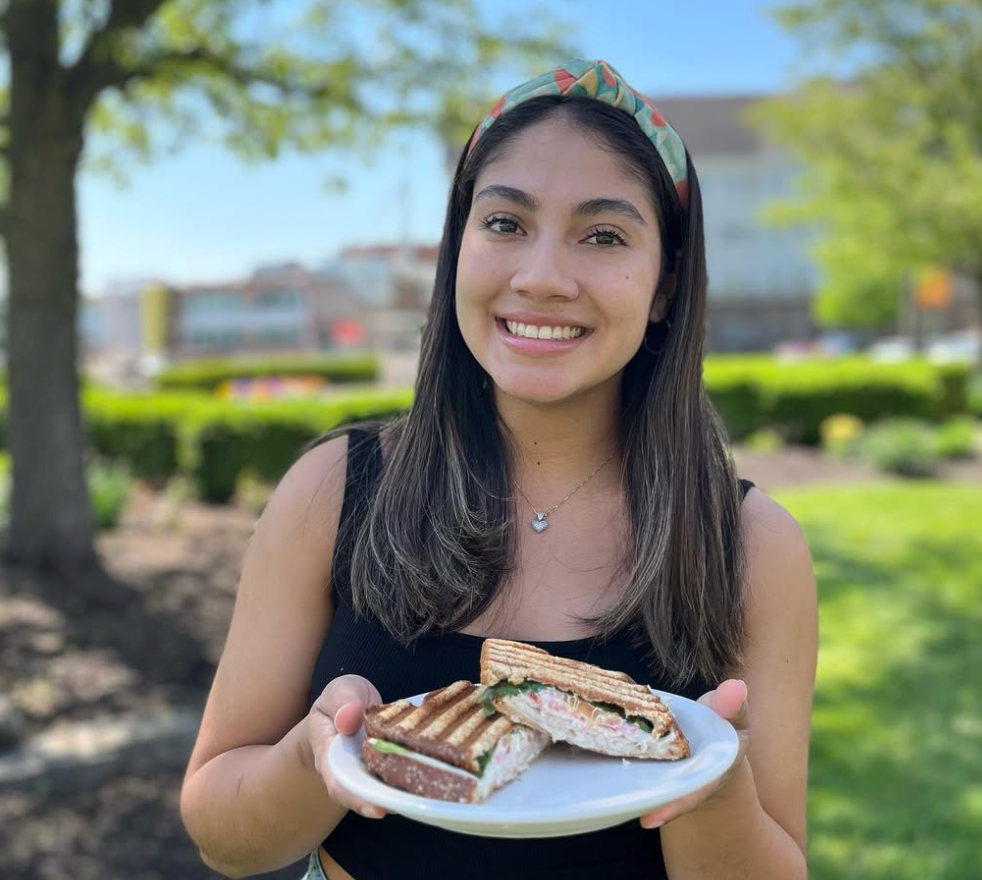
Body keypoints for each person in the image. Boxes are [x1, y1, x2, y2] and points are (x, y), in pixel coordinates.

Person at [180, 59, 817, 880]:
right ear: (458, 251)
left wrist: (708, 784)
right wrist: (318, 762)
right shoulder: (334, 491)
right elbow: (220, 835)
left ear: (664, 285)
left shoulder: (751, 545)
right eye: (506, 224)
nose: (541, 277)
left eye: (603, 235)